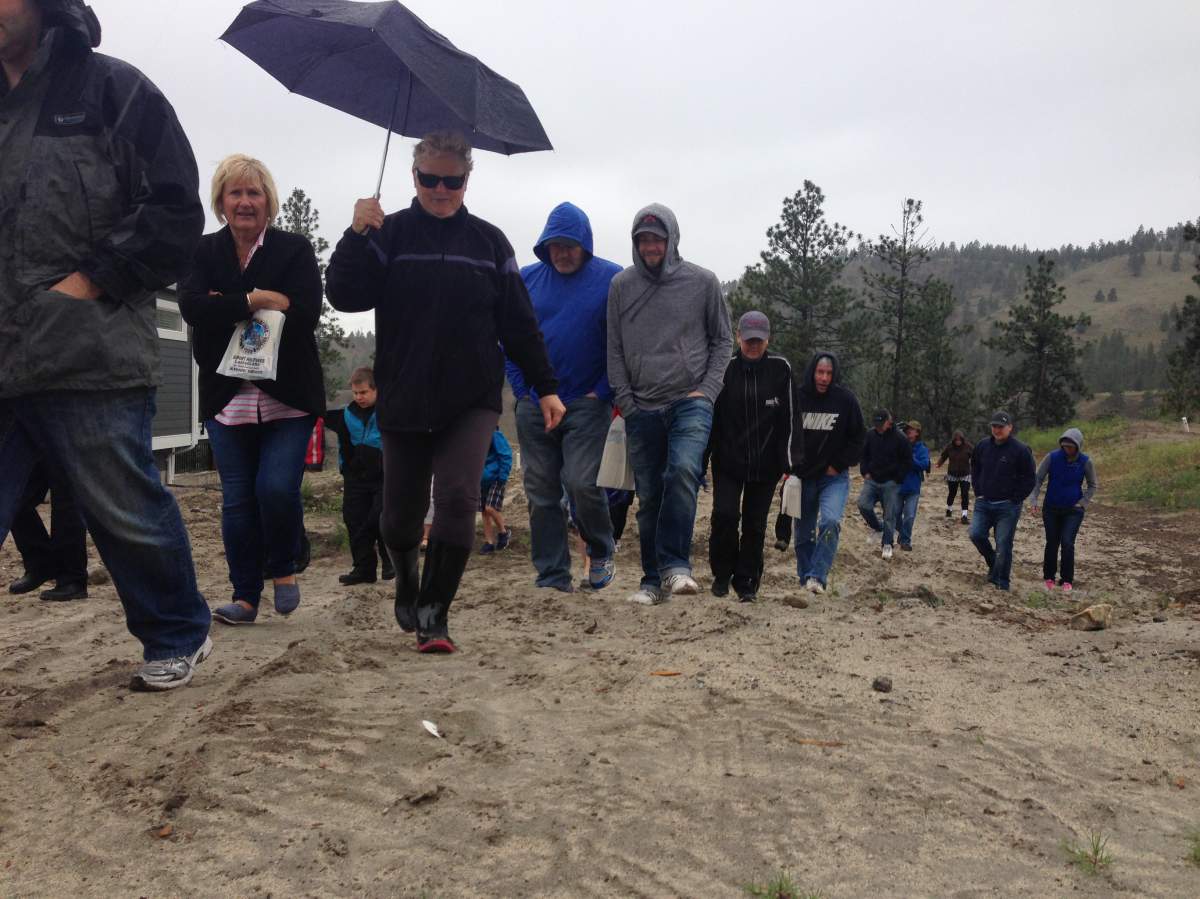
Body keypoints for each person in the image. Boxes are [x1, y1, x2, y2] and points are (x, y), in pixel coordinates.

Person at [0, 0, 211, 689]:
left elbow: (177, 205)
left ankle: (177, 628)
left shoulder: (115, 91)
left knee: (125, 511)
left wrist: (90, 282)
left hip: (89, 352)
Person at [325, 131, 564, 653]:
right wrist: (355, 233)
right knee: (401, 513)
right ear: (414, 176)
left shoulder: (490, 243)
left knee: (459, 496)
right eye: (429, 178)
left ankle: (435, 611)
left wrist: (545, 387)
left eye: (451, 180)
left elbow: (520, 325)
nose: (439, 188)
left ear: (466, 179)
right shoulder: (389, 235)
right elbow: (343, 295)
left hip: (471, 397)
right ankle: (407, 578)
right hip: (404, 394)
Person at [179, 154, 325, 625]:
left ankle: (283, 567)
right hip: (227, 399)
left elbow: (306, 314)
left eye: (254, 193)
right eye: (235, 193)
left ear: (269, 202)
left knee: (276, 488)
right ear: (221, 201)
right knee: (238, 501)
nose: (245, 202)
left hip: (289, 396)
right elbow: (193, 308)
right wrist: (258, 300)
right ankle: (245, 597)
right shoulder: (202, 252)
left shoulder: (294, 249)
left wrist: (231, 304)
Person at [607, 204, 732, 605]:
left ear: (672, 239)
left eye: (657, 238)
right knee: (649, 497)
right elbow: (614, 349)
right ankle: (650, 579)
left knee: (681, 472)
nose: (650, 246)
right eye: (643, 239)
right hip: (641, 405)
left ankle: (677, 567)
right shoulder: (621, 287)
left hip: (689, 401)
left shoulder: (703, 283)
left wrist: (710, 388)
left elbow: (723, 340)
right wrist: (626, 402)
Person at [507, 202, 622, 592]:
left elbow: (622, 343)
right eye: (554, 245)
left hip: (587, 403)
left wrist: (601, 392)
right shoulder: (526, 279)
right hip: (535, 404)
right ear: (543, 246)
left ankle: (602, 547)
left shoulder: (611, 279)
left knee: (581, 483)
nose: (562, 252)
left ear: (585, 244)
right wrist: (524, 392)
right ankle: (553, 575)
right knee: (541, 492)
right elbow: (510, 341)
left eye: (570, 245)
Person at [707, 310, 800, 602]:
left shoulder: (780, 368)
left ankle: (747, 581)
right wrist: (699, 463)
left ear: (768, 339)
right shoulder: (724, 368)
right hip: (728, 461)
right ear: (738, 337)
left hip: (766, 463)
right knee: (724, 516)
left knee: (754, 524)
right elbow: (709, 419)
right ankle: (722, 574)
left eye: (759, 340)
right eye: (748, 340)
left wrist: (791, 466)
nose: (753, 345)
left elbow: (790, 419)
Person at [793, 352, 866, 594]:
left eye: (829, 373)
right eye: (820, 372)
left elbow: (858, 438)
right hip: (803, 477)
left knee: (831, 521)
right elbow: (784, 434)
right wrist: (788, 468)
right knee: (803, 533)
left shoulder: (846, 400)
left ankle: (817, 576)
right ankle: (805, 579)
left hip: (833, 478)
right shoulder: (798, 397)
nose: (824, 378)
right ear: (812, 372)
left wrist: (839, 463)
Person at [326, 367, 393, 585]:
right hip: (355, 478)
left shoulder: (389, 410)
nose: (359, 397)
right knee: (354, 519)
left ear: (376, 390)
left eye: (363, 392)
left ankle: (390, 562)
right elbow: (343, 443)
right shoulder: (346, 414)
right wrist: (349, 468)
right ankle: (363, 569)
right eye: (355, 393)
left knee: (380, 517)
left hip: (385, 476)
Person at [969, 410, 1037, 591]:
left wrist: (1016, 498)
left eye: (1001, 426)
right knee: (975, 534)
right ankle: (993, 563)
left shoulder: (1020, 450)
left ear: (1010, 428)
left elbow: (1030, 478)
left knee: (1003, 544)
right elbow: (974, 465)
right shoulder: (983, 446)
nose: (997, 429)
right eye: (994, 426)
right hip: (984, 503)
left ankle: (1001, 582)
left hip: (1007, 506)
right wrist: (978, 489)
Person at [7, 460, 88, 600]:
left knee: (66, 500)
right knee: (13, 494)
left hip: (69, 441)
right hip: (29, 440)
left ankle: (72, 578)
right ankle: (40, 564)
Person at [1029, 427, 1097, 593]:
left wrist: (1083, 502)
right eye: (1064, 446)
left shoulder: (1085, 461)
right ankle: (1049, 577)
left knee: (1067, 543)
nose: (1067, 449)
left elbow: (1092, 485)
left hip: (1073, 511)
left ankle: (1067, 579)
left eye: (1070, 446)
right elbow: (1037, 479)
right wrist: (1034, 499)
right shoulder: (1052, 458)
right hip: (1051, 508)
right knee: (1052, 542)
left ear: (1078, 446)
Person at [857, 409, 911, 560]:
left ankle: (887, 543)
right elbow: (864, 454)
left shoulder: (900, 438)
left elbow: (907, 461)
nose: (879, 427)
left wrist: (898, 478)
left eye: (882, 423)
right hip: (872, 479)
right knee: (863, 505)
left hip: (891, 483)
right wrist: (864, 471)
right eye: (876, 424)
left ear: (889, 421)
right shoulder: (870, 434)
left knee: (890, 514)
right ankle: (877, 527)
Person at [897, 420, 930, 552]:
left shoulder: (922, 449)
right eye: (907, 429)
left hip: (913, 488)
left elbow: (924, 465)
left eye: (911, 429)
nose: (908, 431)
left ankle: (905, 541)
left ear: (917, 433)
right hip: (897, 486)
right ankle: (902, 534)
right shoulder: (898, 445)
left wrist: (910, 457)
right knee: (895, 515)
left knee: (909, 515)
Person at [479, 427, 513, 554]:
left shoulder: (494, 434)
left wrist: (503, 476)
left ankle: (504, 533)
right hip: (481, 479)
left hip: (496, 478)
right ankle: (489, 542)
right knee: (484, 512)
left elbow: (506, 455)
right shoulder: (475, 435)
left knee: (490, 508)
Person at [937, 429, 973, 523]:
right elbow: (944, 456)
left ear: (962, 439)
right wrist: (939, 464)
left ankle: (964, 515)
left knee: (965, 494)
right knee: (952, 493)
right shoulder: (950, 447)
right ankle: (949, 509)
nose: (958, 441)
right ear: (953, 440)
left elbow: (975, 457)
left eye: (959, 440)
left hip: (965, 474)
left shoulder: (968, 446)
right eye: (956, 440)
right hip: (952, 474)